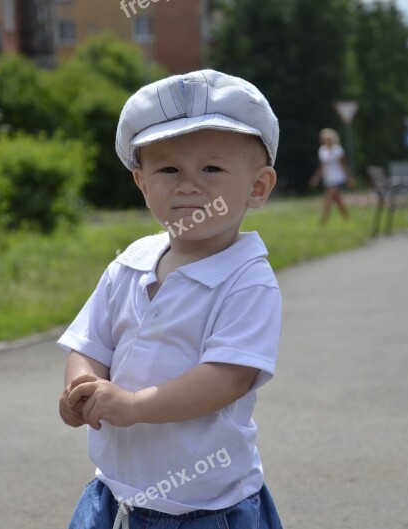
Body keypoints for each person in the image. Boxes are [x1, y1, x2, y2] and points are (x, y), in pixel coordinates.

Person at [57, 70, 284, 529]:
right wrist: (81, 387)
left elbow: (229, 377)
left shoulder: (247, 280)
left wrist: (136, 406)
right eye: (168, 170)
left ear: (258, 187)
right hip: (115, 493)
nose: (187, 185)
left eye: (211, 169)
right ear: (142, 184)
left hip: (205, 506)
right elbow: (90, 342)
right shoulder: (130, 263)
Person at [310, 128, 351, 224]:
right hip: (328, 178)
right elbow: (322, 167)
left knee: (328, 198)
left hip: (338, 178)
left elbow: (344, 165)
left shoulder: (338, 150)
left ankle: (323, 219)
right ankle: (346, 217)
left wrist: (349, 178)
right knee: (337, 200)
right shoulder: (322, 150)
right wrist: (316, 178)